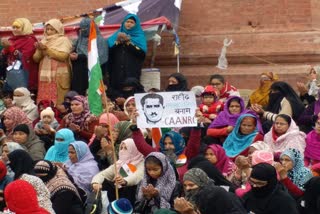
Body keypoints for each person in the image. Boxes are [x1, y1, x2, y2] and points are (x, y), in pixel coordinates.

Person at [91, 138, 144, 204]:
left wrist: (125, 181)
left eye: (126, 148)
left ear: (134, 149)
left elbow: (137, 176)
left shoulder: (140, 163)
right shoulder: (120, 163)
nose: (122, 151)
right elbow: (104, 174)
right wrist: (96, 182)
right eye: (121, 148)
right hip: (116, 194)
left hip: (130, 198)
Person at [33, 19, 73, 105]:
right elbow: (36, 59)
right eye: (47, 29)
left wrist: (46, 49)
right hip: (45, 77)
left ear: (58, 30)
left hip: (58, 74)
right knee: (45, 101)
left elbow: (63, 56)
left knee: (59, 100)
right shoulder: (43, 40)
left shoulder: (63, 40)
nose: (49, 31)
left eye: (52, 29)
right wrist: (40, 50)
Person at [107, 14, 146, 100]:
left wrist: (129, 43)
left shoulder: (139, 37)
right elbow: (109, 53)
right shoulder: (115, 36)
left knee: (131, 94)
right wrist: (117, 42)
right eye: (127, 21)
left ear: (136, 25)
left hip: (132, 73)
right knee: (116, 96)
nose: (129, 24)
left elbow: (142, 54)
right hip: (116, 74)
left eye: (132, 22)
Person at [70, 17, 108, 96]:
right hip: (78, 74)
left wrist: (80, 57)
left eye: (86, 28)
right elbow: (76, 51)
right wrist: (72, 53)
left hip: (93, 73)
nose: (83, 30)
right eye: (82, 28)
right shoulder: (80, 39)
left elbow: (101, 57)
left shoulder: (99, 40)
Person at [2, 18, 38, 92]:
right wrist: (5, 49)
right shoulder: (11, 40)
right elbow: (4, 56)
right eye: (13, 27)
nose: (14, 29)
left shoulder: (30, 40)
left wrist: (10, 48)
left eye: (17, 27)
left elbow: (25, 58)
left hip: (24, 75)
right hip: (11, 73)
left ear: (25, 28)